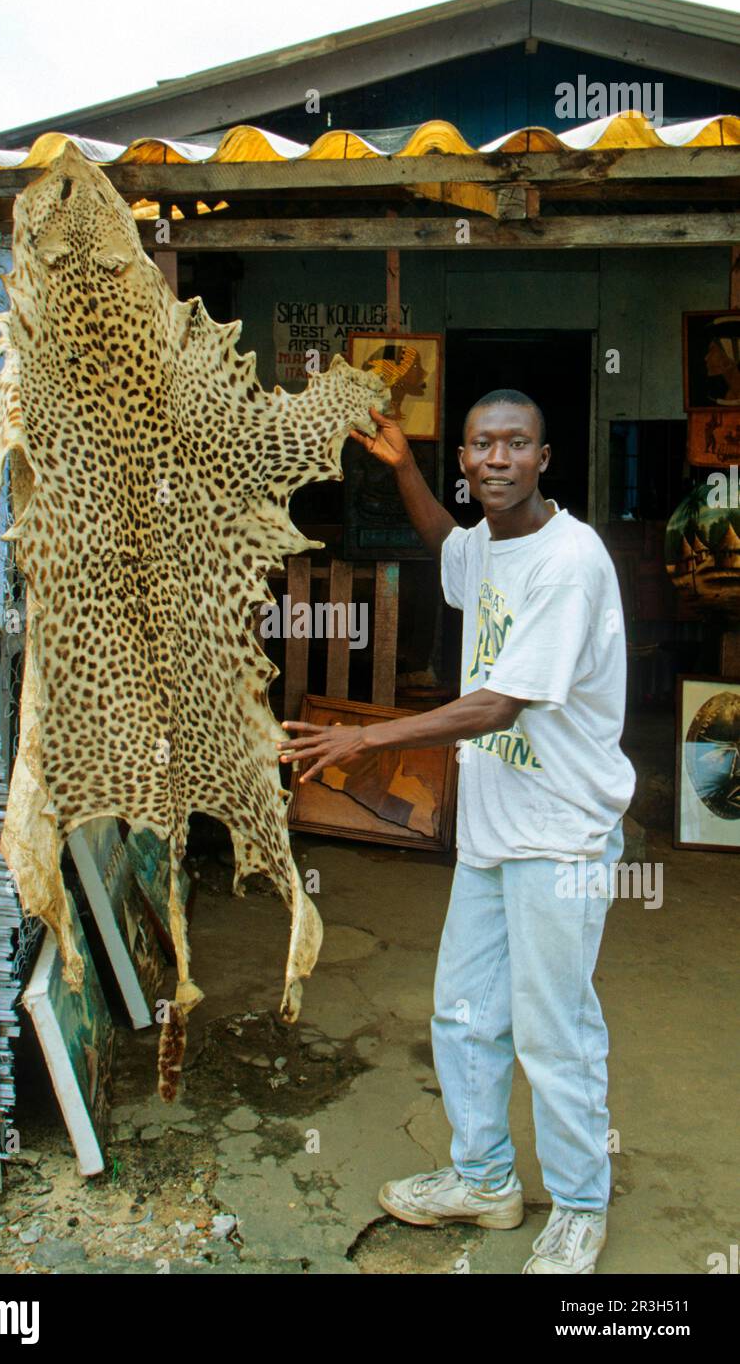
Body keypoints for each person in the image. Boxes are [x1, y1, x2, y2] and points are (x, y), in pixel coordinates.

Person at [278, 389, 636, 1274]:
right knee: (467, 1011)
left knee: (554, 1027)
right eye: (481, 446)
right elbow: (449, 546)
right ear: (466, 460)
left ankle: (582, 1207)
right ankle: (484, 1179)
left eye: (517, 444)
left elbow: (499, 703)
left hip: (562, 834)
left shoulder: (571, 559)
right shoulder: (488, 544)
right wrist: (402, 470)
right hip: (492, 829)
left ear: (544, 458)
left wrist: (365, 734)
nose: (497, 459)